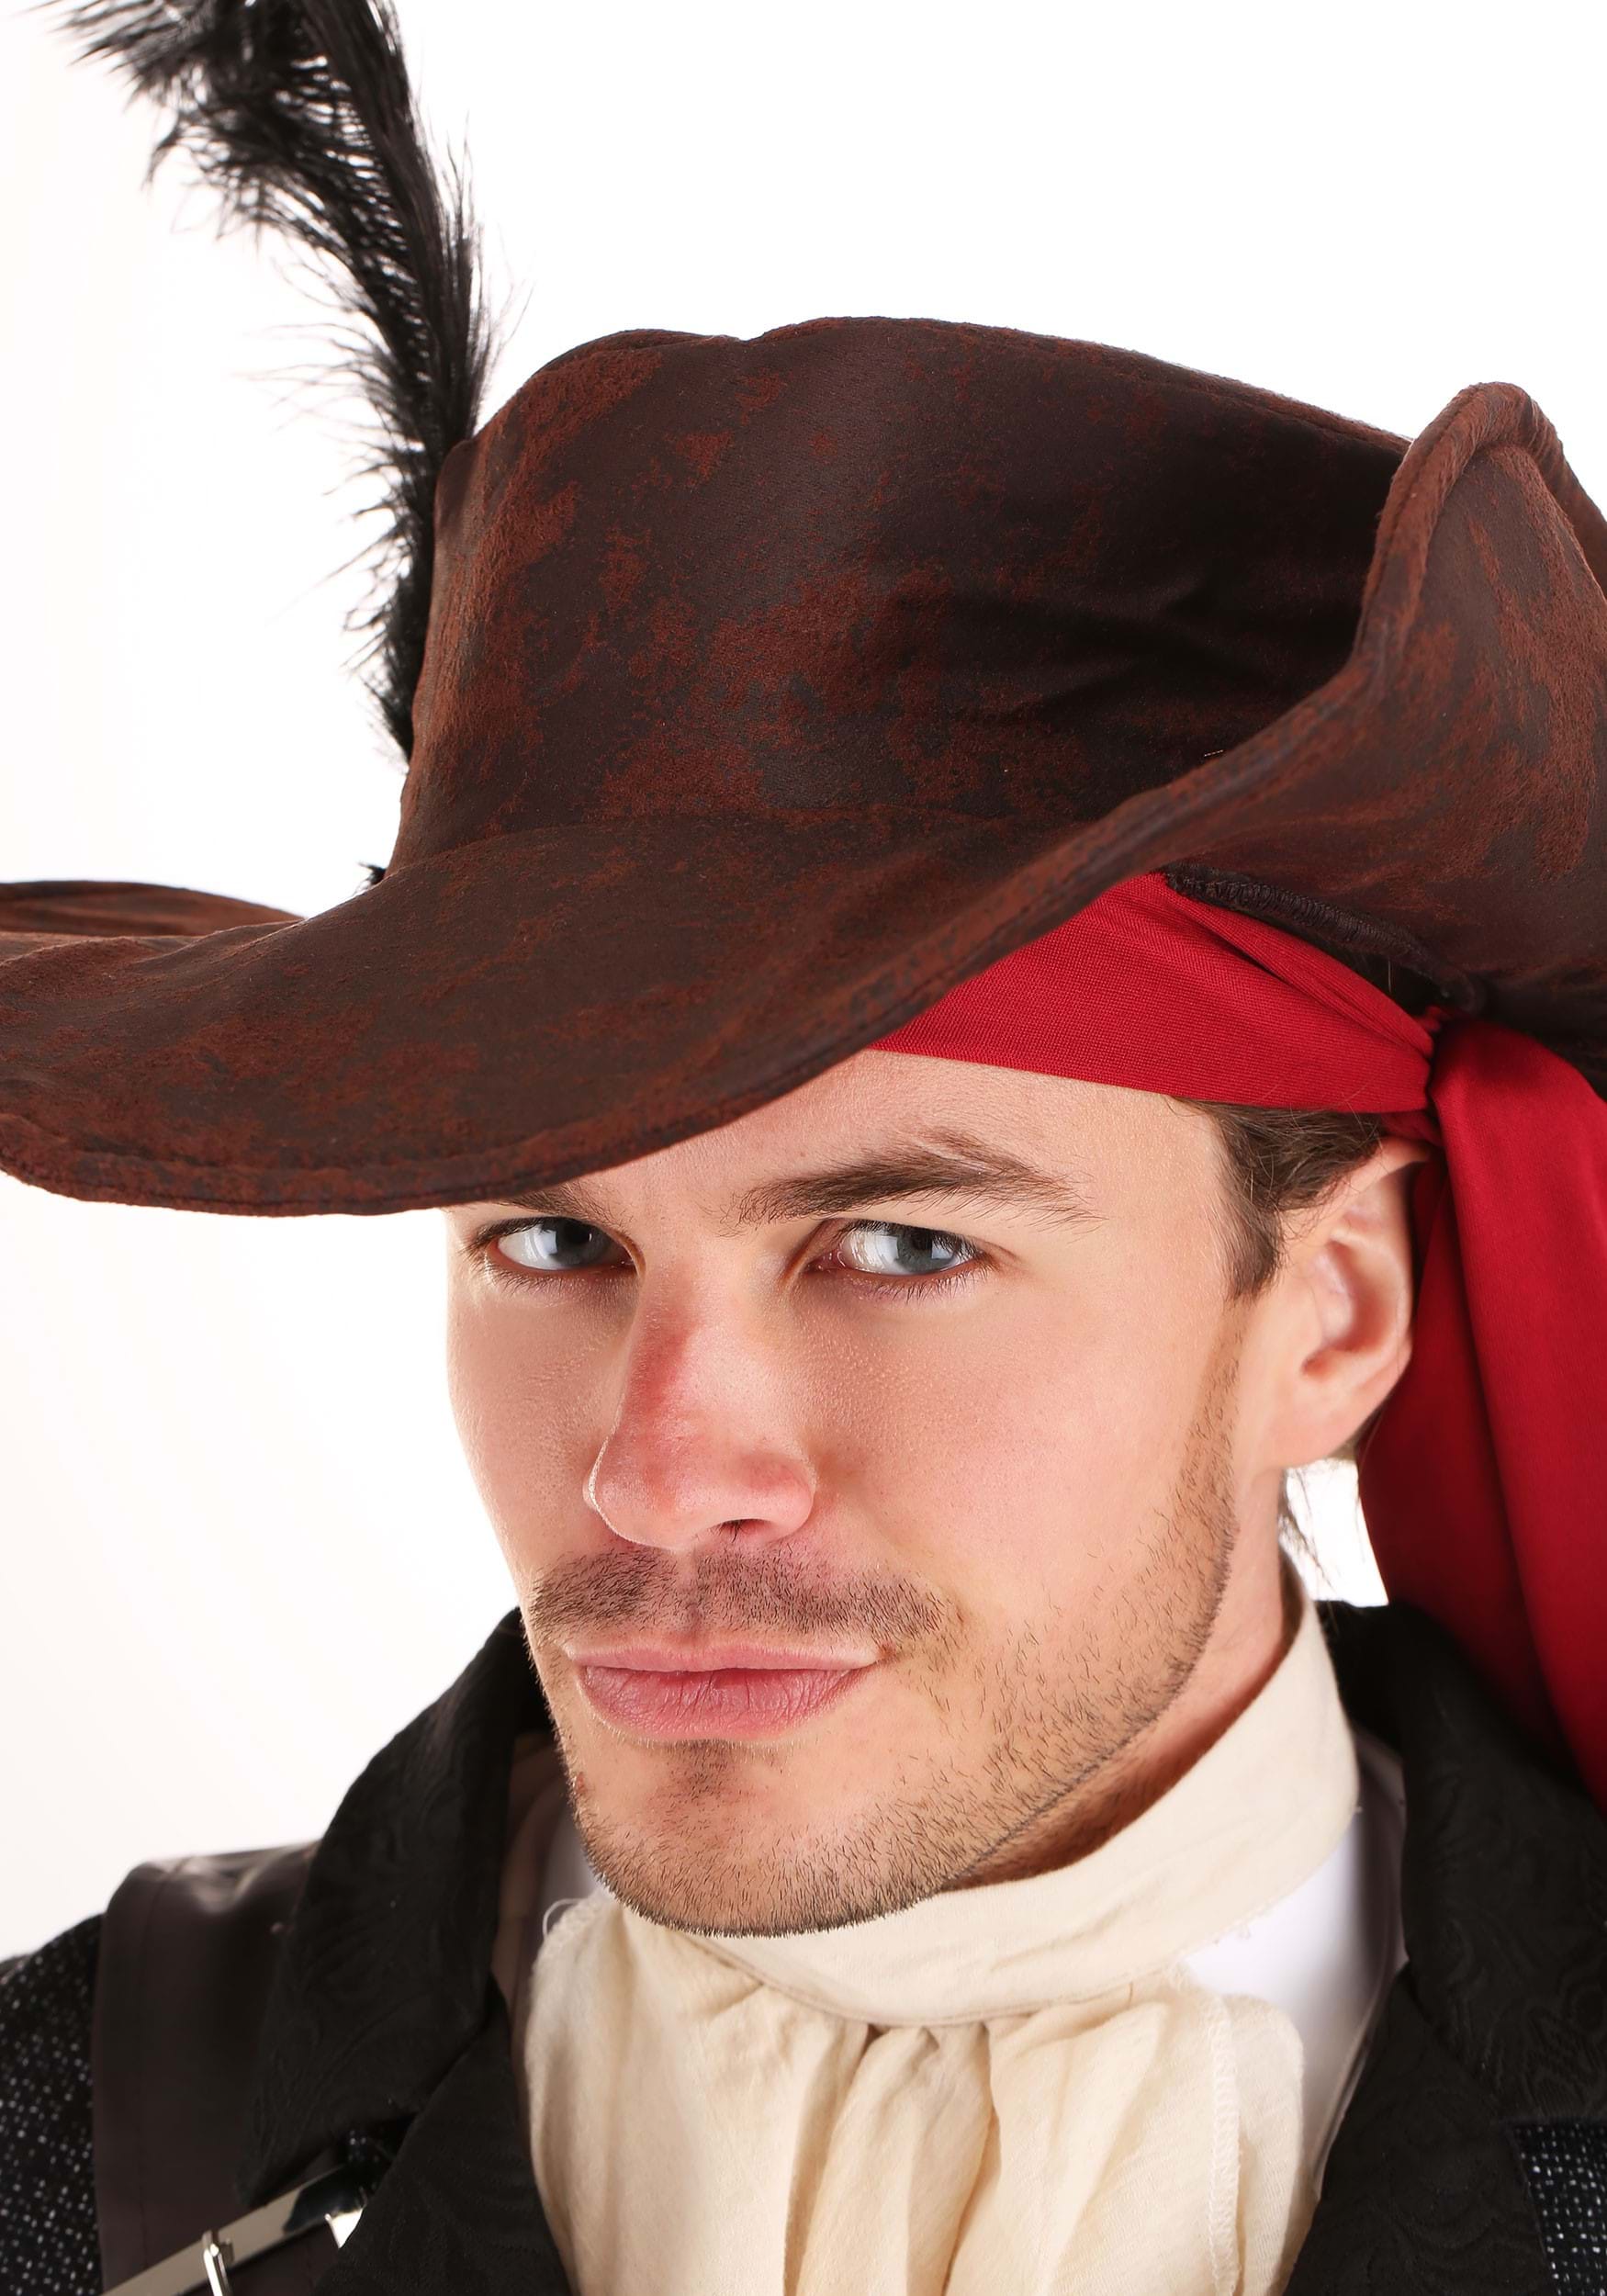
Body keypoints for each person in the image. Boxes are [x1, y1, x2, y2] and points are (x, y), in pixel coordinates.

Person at [2, 5, 1604, 2293]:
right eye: (551, 1237)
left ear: (1330, 1311)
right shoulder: (71, 2147)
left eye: (899, 1243)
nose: (661, 1471)